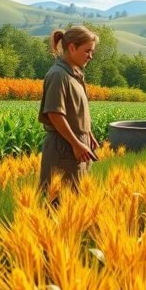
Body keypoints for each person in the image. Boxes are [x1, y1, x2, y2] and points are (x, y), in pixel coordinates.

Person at [39, 25, 99, 195]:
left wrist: (88, 135)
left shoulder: (74, 74)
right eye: (88, 51)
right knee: (59, 204)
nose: (91, 56)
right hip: (64, 148)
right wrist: (76, 143)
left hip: (77, 146)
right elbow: (55, 114)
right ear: (72, 48)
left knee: (76, 200)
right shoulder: (59, 75)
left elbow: (76, 112)